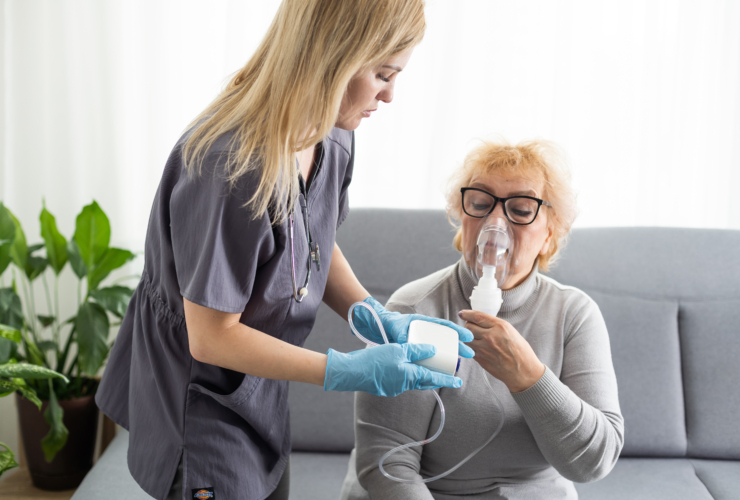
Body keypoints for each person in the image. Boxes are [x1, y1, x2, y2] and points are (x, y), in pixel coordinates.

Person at [94, 2, 475, 499]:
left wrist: (369, 311)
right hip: (201, 403)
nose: (390, 95)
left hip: (261, 388)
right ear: (335, 57)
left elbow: (313, 236)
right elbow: (210, 338)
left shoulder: (332, 130)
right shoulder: (228, 166)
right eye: (383, 74)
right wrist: (341, 370)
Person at [341, 139, 624, 499]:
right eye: (479, 203)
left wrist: (529, 377)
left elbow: (593, 463)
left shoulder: (573, 316)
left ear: (551, 235)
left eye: (521, 209)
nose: (495, 224)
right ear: (462, 219)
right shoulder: (417, 310)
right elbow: (388, 464)